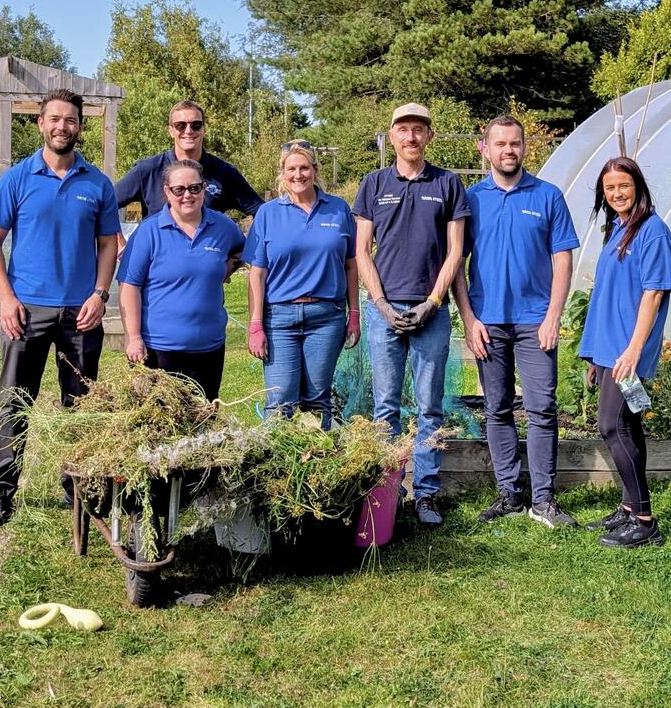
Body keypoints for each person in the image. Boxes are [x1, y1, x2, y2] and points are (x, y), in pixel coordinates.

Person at [0, 89, 120, 524]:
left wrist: (100, 294)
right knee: (14, 402)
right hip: (26, 311)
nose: (62, 126)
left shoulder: (97, 183)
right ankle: (0, 492)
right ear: (41, 124)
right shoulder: (16, 179)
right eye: (54, 119)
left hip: (80, 314)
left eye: (70, 120)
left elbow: (108, 246)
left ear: (80, 126)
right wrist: (7, 298)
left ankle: (80, 489)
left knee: (81, 407)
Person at [453, 115, 580, 528]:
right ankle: (509, 492)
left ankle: (543, 498)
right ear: (483, 148)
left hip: (534, 322)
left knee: (543, 408)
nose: (509, 150)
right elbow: (456, 263)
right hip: (487, 321)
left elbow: (563, 259)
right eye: (501, 143)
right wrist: (469, 318)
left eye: (516, 144)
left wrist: (552, 316)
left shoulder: (548, 196)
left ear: (526, 148)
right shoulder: (470, 199)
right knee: (497, 408)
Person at [353, 103, 469, 525]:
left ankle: (426, 494)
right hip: (384, 311)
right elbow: (361, 250)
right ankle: (383, 492)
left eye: (419, 130)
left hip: (431, 313)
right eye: (403, 130)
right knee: (385, 406)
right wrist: (381, 304)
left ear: (429, 137)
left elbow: (456, 251)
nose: (411, 137)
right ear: (392, 136)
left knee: (429, 408)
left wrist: (433, 303)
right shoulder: (374, 184)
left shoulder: (448, 184)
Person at [579, 157, 670, 547]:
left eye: (624, 186)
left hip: (627, 350)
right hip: (609, 348)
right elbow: (608, 297)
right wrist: (594, 355)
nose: (616, 193)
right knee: (627, 425)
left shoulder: (652, 232)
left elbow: (653, 293)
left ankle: (646, 521)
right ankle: (630, 507)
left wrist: (633, 349)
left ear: (638, 187)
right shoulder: (617, 229)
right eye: (609, 188)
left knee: (611, 425)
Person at [243, 140, 360, 430]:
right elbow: (257, 273)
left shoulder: (338, 210)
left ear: (315, 170)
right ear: (282, 174)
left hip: (326, 317)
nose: (298, 174)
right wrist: (255, 325)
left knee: (318, 399)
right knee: (280, 401)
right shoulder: (268, 214)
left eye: (304, 167)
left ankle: (317, 469)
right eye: (291, 169)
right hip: (280, 318)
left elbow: (351, 264)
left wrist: (354, 313)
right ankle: (277, 470)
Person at [117, 159, 245, 401]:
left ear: (204, 188)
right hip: (158, 349)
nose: (188, 195)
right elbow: (129, 286)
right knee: (159, 426)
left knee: (202, 422)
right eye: (179, 190)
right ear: (167, 192)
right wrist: (133, 338)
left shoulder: (223, 227)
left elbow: (244, 249)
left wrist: (227, 268)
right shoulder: (149, 231)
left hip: (208, 348)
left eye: (194, 188)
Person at [114, 99, 263, 247]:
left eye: (196, 125)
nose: (188, 131)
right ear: (171, 131)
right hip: (155, 264)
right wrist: (119, 241)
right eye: (181, 125)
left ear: (203, 129)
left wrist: (245, 250)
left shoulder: (224, 173)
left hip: (204, 265)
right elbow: (106, 204)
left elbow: (262, 213)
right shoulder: (147, 170)